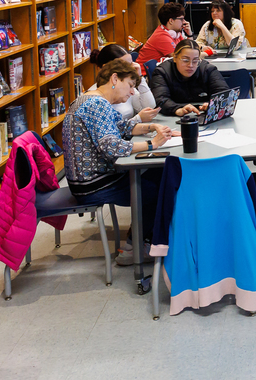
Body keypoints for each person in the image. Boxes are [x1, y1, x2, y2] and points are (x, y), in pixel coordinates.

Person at [63, 58, 177, 265]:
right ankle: (136, 247)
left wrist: (154, 128)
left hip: (86, 180)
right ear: (115, 78)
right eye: (130, 85)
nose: (132, 92)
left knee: (159, 174)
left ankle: (142, 240)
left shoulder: (90, 99)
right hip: (92, 184)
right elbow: (111, 145)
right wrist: (153, 144)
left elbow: (123, 128)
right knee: (157, 186)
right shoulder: (97, 104)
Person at [149, 39, 231, 116]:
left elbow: (224, 93)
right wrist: (177, 109)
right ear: (174, 58)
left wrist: (213, 104)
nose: (190, 65)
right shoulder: (162, 72)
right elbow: (160, 99)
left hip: (203, 114)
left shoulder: (208, 70)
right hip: (173, 118)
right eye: (185, 60)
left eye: (195, 61)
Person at [88, 44, 158, 123]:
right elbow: (109, 129)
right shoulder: (97, 97)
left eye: (131, 64)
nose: (131, 69)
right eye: (125, 66)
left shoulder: (125, 86)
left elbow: (149, 107)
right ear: (106, 68)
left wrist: (139, 78)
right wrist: (137, 119)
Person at [136, 2, 192, 72]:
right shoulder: (161, 36)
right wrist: (206, 53)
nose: (184, 22)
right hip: (146, 76)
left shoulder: (175, 33)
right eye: (181, 19)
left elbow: (190, 49)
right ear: (171, 21)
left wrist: (189, 34)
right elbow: (182, 58)